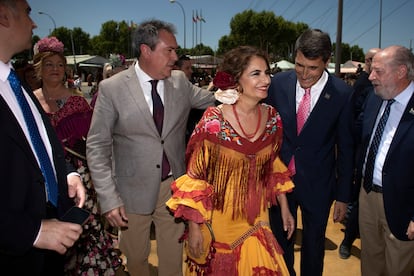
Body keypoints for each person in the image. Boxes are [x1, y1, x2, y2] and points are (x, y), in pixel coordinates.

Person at [86, 19, 216, 276]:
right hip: (130, 193)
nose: (175, 57)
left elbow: (215, 99)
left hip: (173, 187)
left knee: (172, 260)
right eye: (169, 50)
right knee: (136, 261)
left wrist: (246, 90)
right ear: (146, 50)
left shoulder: (179, 82)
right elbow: (97, 146)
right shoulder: (111, 89)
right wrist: (109, 199)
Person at [166, 45, 295, 275]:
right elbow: (196, 177)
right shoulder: (213, 121)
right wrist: (194, 228)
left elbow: (273, 165)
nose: (266, 79)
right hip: (218, 222)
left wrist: (284, 207)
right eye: (256, 74)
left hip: (257, 220)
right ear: (237, 80)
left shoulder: (273, 119)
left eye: (267, 73)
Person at [0, 1, 86, 275]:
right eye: (27, 12)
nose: (34, 23)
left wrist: (68, 174)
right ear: (3, 16)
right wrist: (32, 231)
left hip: (49, 232)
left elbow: (37, 146)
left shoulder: (14, 81)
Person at [266, 29, 354, 276]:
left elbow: (346, 148)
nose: (304, 74)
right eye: (299, 65)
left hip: (319, 185)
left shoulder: (343, 95)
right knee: (281, 242)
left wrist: (343, 196)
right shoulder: (278, 83)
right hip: (280, 183)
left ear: (326, 62)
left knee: (314, 245)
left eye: (312, 68)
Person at [31, 36, 122, 275]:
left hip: (80, 179)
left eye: (60, 65)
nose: (55, 70)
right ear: (39, 68)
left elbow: (95, 142)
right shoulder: (28, 101)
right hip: (41, 179)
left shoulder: (78, 101)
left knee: (84, 229)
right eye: (49, 64)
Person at [356, 45, 414, 275]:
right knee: (370, 262)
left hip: (403, 204)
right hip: (367, 194)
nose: (370, 76)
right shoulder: (374, 98)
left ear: (400, 72)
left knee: (397, 268)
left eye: (378, 71)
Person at [339, 47, 380, 259]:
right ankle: (347, 241)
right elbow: (353, 120)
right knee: (357, 202)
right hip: (362, 158)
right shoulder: (366, 87)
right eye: (372, 61)